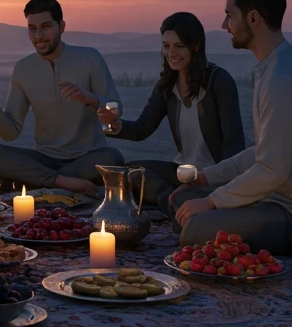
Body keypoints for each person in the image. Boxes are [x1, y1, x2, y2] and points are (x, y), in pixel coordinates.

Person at [166, 0, 292, 254]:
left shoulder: (283, 78)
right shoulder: (273, 68)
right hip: (276, 198)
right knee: (184, 201)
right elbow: (262, 152)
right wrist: (205, 178)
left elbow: (271, 170)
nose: (224, 25)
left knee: (196, 228)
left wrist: (211, 202)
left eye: (230, 16)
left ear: (253, 18)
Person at [0, 0, 124, 195]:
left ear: (61, 27)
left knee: (113, 157)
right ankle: (63, 182)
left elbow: (115, 109)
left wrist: (91, 99)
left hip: (87, 157)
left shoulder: (90, 58)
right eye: (32, 28)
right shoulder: (23, 68)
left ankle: (34, 182)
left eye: (45, 27)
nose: (38, 35)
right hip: (44, 158)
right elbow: (10, 133)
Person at [98, 12, 245, 206]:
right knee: (131, 173)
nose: (171, 53)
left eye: (179, 46)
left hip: (214, 176)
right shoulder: (167, 85)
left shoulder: (219, 81)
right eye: (166, 46)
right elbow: (142, 129)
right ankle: (175, 203)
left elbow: (234, 142)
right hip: (183, 171)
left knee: (157, 190)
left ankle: (178, 203)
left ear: (196, 46)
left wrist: (223, 183)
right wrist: (114, 124)